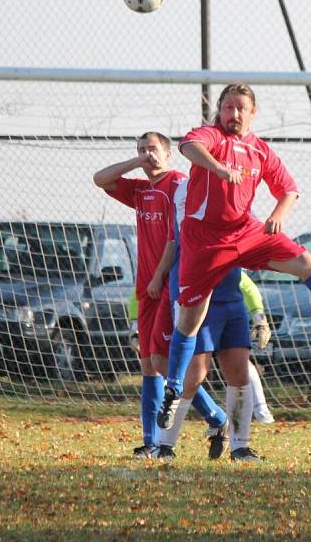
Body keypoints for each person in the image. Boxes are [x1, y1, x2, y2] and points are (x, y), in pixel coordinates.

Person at [159, 84, 311, 428]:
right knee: (190, 323)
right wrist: (219, 169)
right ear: (220, 111)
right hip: (205, 242)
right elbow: (189, 147)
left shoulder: (260, 149)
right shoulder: (211, 136)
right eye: (228, 107)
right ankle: (173, 389)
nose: (234, 114)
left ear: (253, 113)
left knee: (305, 263)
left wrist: (280, 213)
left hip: (247, 231)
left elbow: (290, 189)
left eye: (241, 108)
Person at [93, 132, 223, 458]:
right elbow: (100, 179)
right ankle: (152, 441)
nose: (147, 154)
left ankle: (213, 417)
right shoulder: (140, 190)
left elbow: (174, 239)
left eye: (152, 149)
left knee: (163, 362)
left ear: (168, 154)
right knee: (148, 364)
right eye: (141, 149)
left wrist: (159, 275)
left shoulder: (179, 185)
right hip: (146, 285)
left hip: (169, 283)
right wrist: (137, 162)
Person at [154, 268, 272, 460]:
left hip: (232, 300)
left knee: (239, 373)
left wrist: (259, 314)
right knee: (193, 375)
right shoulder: (188, 239)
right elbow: (172, 248)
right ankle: (164, 445)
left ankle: (240, 447)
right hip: (200, 298)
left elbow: (244, 270)